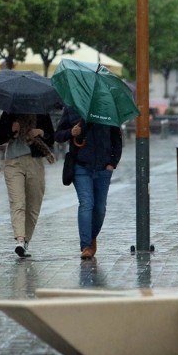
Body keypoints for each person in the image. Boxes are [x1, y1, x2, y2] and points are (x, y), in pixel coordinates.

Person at [54, 106, 122, 260]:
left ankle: (91, 237)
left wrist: (112, 163)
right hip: (81, 166)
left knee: (100, 208)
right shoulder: (72, 109)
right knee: (86, 203)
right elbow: (58, 135)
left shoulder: (107, 110)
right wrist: (70, 132)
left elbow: (117, 140)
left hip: (103, 168)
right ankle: (85, 245)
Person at [0, 112, 55, 258]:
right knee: (18, 202)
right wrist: (12, 130)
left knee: (34, 205)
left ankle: (26, 240)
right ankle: (20, 240)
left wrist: (40, 132)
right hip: (13, 163)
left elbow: (52, 138)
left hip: (35, 162)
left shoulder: (41, 113)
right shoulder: (9, 112)